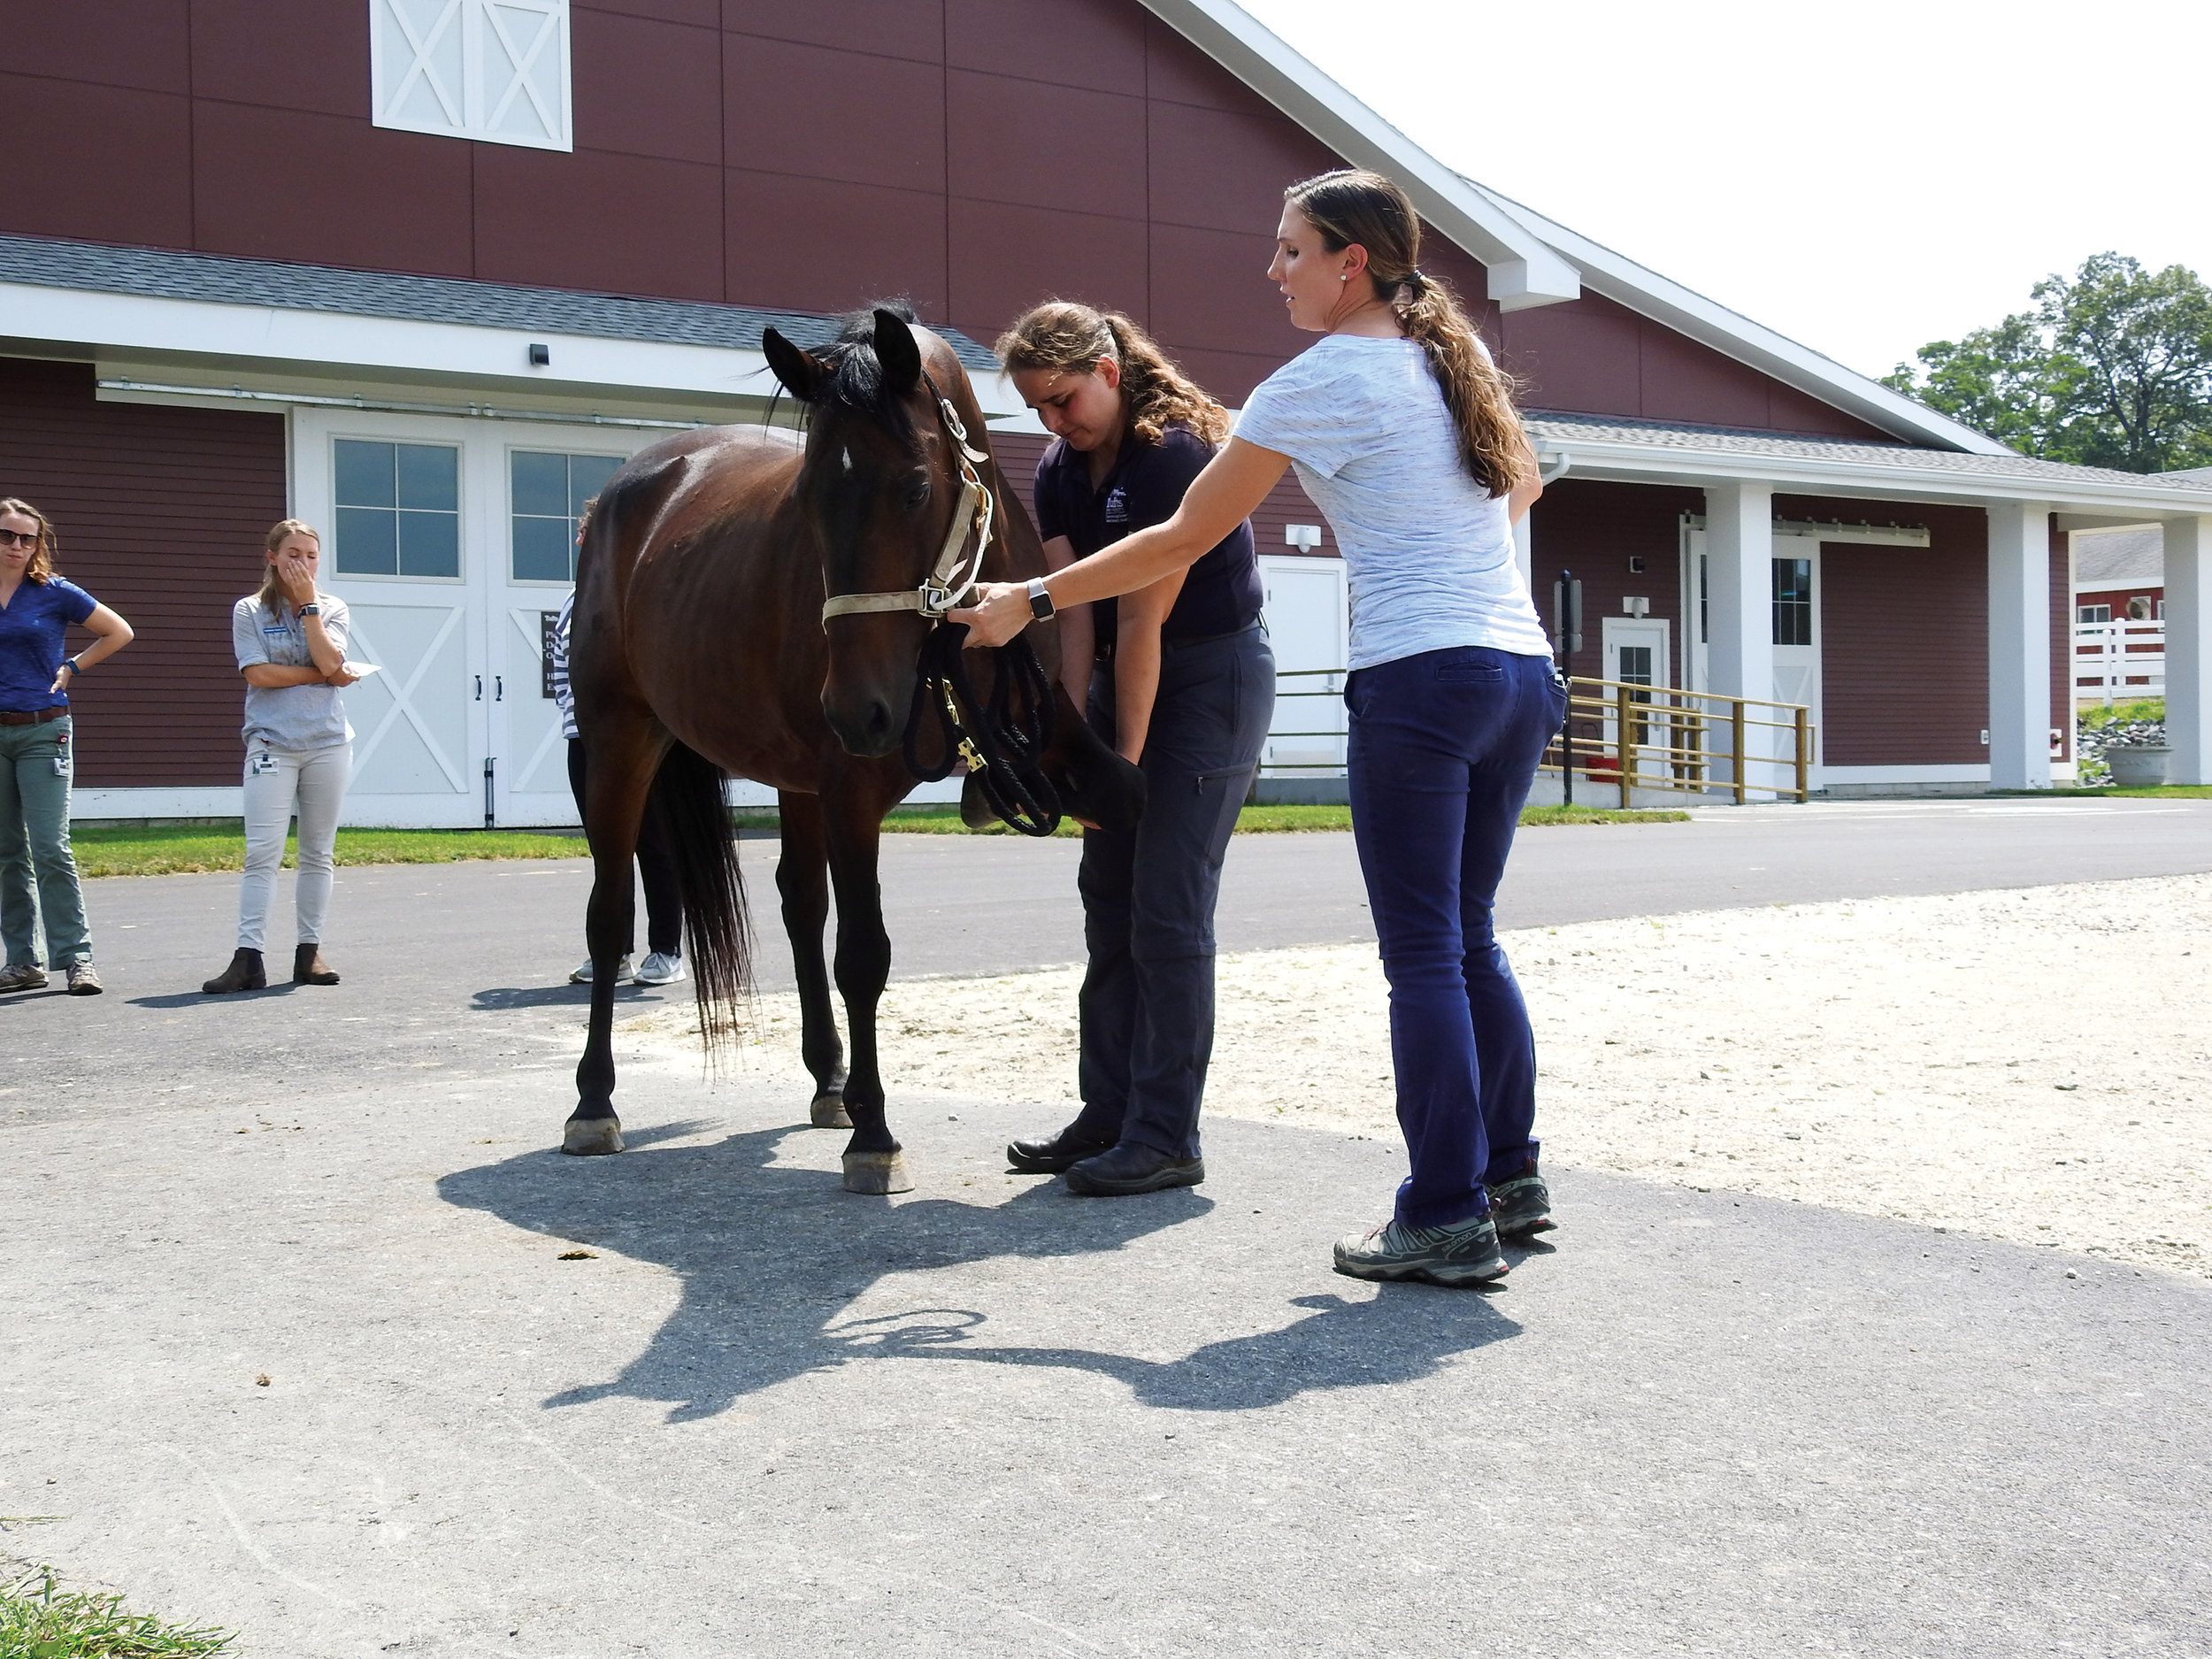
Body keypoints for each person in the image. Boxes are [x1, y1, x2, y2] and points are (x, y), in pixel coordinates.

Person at [955, 170, 1562, 1286]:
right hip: (1518, 670)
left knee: (1424, 952)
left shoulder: (1318, 378)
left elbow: (1179, 541)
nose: (1271, 269)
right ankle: (1508, 1179)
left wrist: (1028, 602)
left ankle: (1442, 1214)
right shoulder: (1451, 360)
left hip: (1421, 682)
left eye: (1290, 250)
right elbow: (1517, 490)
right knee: (1470, 937)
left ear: (1353, 264)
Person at [993, 302, 1274, 1197]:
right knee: (1105, 901)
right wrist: (1073, 743)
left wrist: (1121, 772)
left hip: (1208, 676)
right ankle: (1106, 1115)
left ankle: (1165, 1135)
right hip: (1126, 665)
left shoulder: (1175, 455)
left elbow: (1142, 615)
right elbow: (1073, 610)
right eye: (1037, 406)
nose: (1053, 421)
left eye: (1065, 399)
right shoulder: (1056, 470)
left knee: (1165, 907)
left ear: (1109, 373)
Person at [204, 519, 360, 993]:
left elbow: (333, 662)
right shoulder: (249, 609)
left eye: (312, 556)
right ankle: (248, 958)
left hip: (328, 743)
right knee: (262, 853)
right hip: (271, 742)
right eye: (294, 554)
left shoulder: (332, 608)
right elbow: (257, 674)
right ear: (272, 557)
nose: (304, 563)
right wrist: (321, 675)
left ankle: (309, 954)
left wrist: (309, 608)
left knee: (318, 852)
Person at [0, 498, 134, 995]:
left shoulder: (54, 592)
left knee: (50, 847)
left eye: (26, 538)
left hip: (43, 730)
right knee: (6, 851)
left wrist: (73, 666)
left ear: (38, 544)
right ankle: (21, 961)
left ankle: (77, 958)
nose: (16, 546)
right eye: (6, 535)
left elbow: (119, 631)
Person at [548, 588, 683, 987]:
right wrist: (576, 718)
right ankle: (614, 951)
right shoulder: (574, 601)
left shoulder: (638, 590)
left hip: (642, 739)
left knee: (655, 845)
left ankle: (666, 951)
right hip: (585, 738)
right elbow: (559, 665)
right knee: (607, 851)